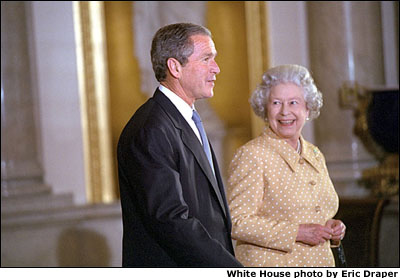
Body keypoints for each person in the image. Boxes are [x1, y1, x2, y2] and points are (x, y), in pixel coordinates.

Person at [117, 23, 242, 267]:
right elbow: (170, 219)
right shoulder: (151, 129)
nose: (216, 68)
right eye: (206, 59)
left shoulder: (183, 118)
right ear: (175, 67)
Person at [227, 64, 346, 267]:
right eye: (276, 103)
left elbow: (318, 211)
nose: (285, 112)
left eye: (293, 102)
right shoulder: (252, 155)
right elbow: (236, 222)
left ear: (307, 109)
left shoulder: (315, 154)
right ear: (265, 109)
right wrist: (297, 233)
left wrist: (332, 227)